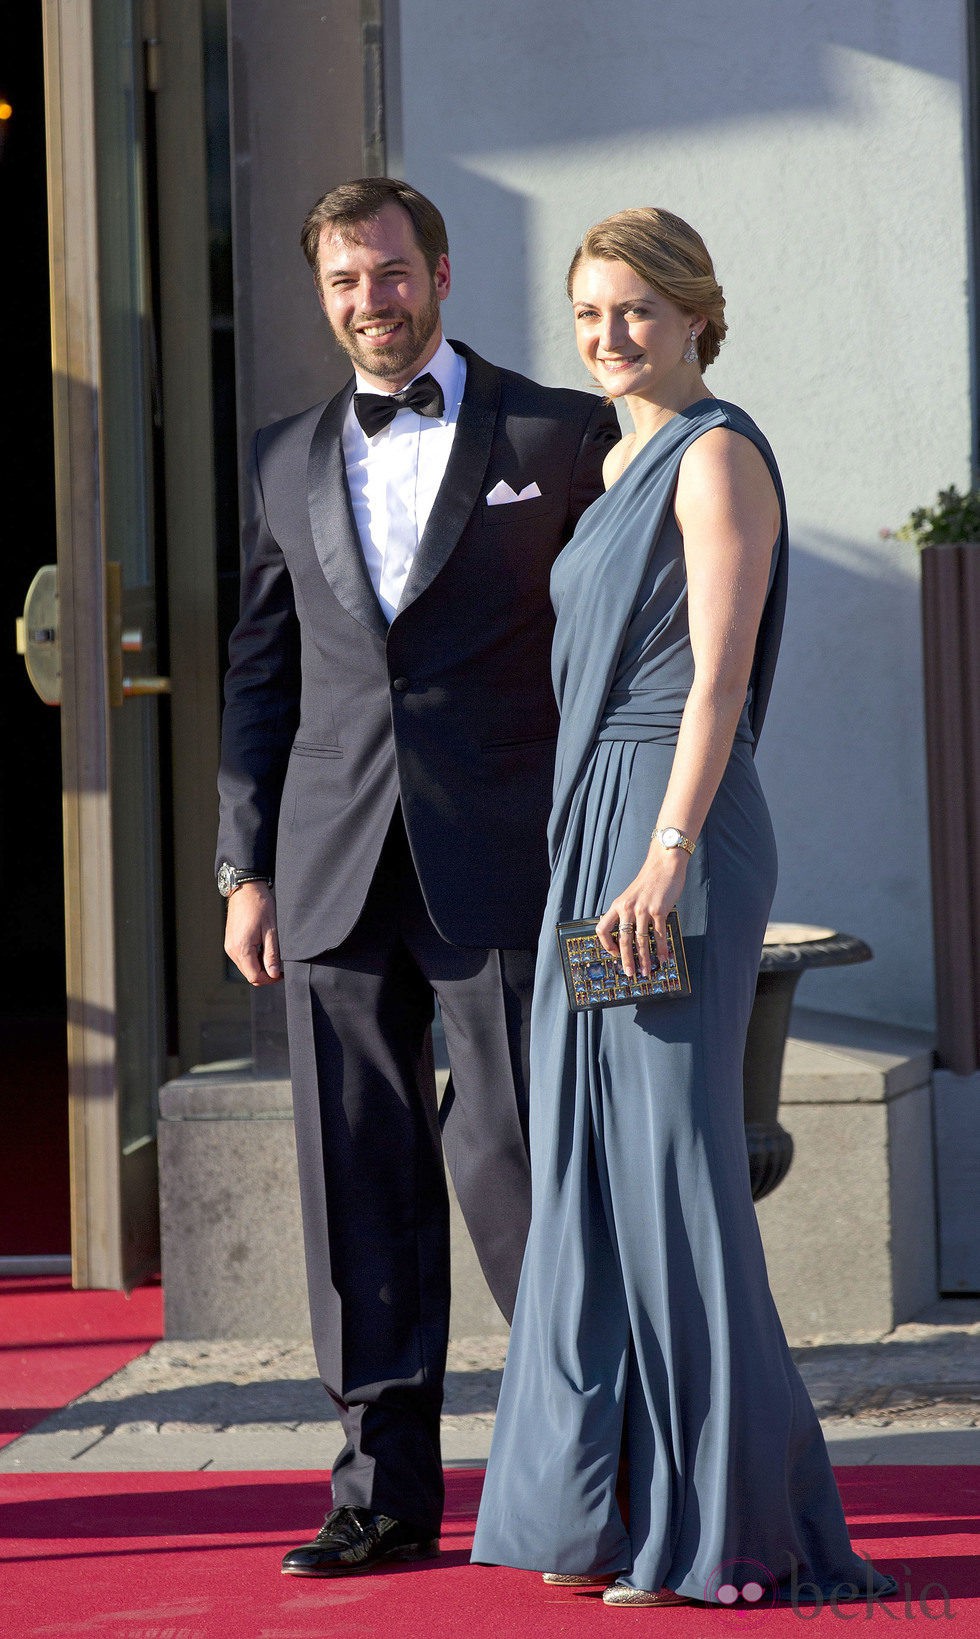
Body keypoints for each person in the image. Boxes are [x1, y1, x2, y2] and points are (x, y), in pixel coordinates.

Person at [471, 208, 897, 1609]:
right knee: (598, 1169)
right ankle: (619, 1512)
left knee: (673, 1175)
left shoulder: (714, 456)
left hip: (676, 841)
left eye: (637, 311)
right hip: (604, 836)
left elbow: (716, 681)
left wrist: (665, 850)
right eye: (590, 312)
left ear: (698, 315)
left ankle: (725, 1531)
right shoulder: (617, 461)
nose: (609, 336)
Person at [216, 176, 619, 1578]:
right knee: (357, 1182)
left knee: (518, 1168)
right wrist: (239, 865)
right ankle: (381, 1494)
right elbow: (261, 674)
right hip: (328, 866)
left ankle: (581, 1464)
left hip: (502, 866)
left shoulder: (561, 435)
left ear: (438, 272)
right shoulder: (277, 456)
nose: (370, 303)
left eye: (390, 275)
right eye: (343, 282)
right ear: (321, 293)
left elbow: (619, 649)